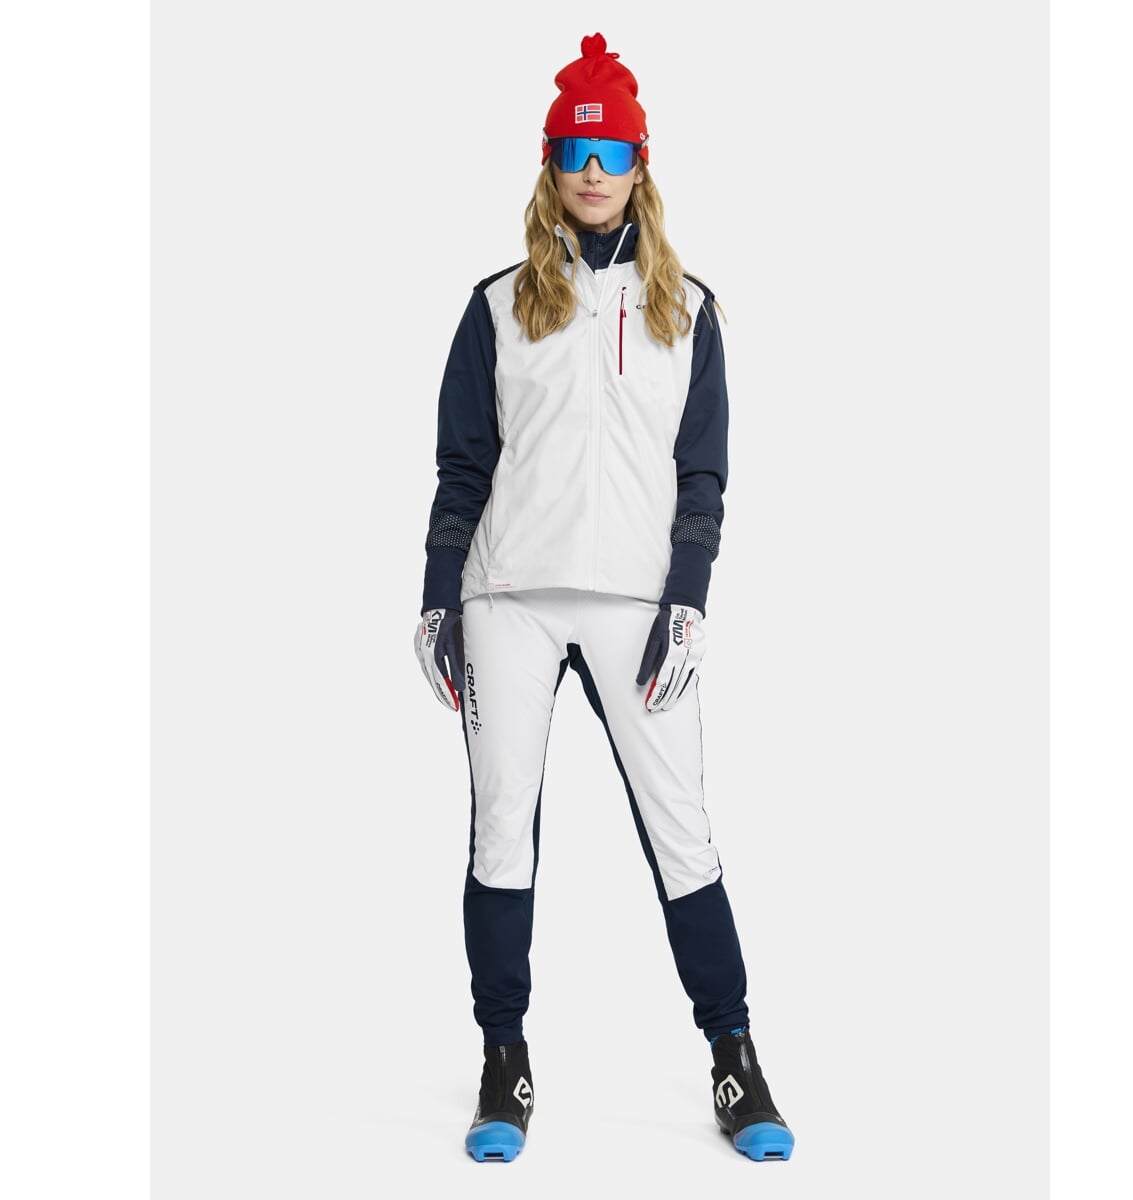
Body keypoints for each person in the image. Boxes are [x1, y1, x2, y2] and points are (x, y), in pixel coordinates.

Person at [414, 32, 794, 1164]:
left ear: (639, 164)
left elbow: (703, 476)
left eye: (612, 150)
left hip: (636, 605)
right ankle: (503, 1057)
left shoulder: (690, 310)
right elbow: (462, 469)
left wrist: (689, 599)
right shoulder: (496, 307)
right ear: (550, 162)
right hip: (509, 598)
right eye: (576, 150)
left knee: (683, 830)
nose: (593, 169)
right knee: (501, 830)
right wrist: (438, 599)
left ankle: (734, 1056)